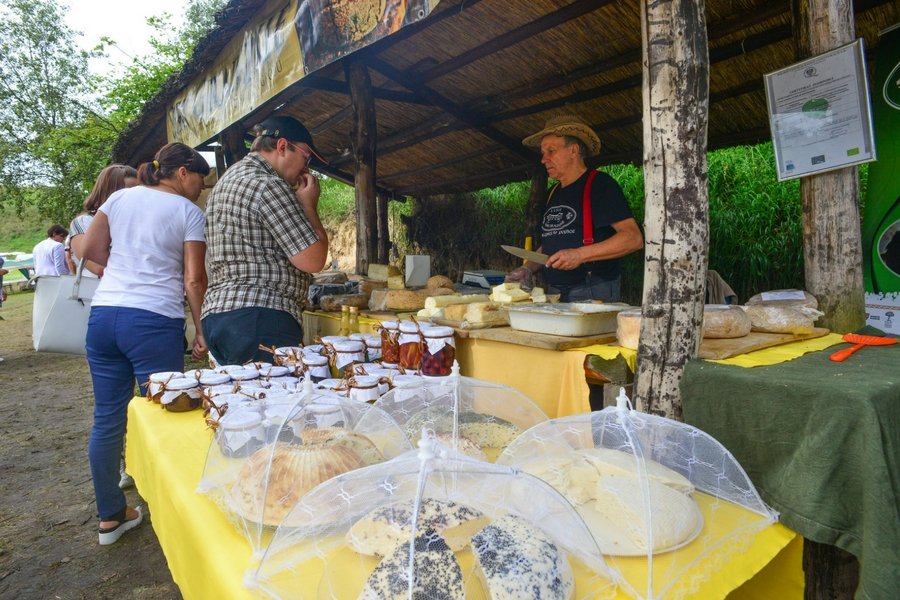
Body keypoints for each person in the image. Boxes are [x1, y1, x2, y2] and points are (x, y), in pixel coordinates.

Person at [81, 142, 209, 545]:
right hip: (153, 320)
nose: (200, 190)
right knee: (169, 414)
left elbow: (91, 252)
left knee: (106, 419)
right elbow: (193, 279)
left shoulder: (119, 198)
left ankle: (110, 517)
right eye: (200, 181)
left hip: (104, 318)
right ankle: (178, 512)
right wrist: (201, 329)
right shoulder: (189, 213)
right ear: (184, 172)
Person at [202, 115, 329, 364]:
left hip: (220, 316)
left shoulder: (228, 180)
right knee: (272, 400)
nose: (307, 169)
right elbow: (313, 260)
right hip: (259, 318)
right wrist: (309, 206)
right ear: (282, 146)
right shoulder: (267, 185)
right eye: (306, 157)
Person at [507, 115, 643, 302]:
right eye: (543, 152)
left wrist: (580, 255)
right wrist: (528, 268)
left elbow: (633, 238)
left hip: (593, 288)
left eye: (551, 151)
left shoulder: (600, 185)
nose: (543, 159)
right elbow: (551, 242)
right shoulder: (552, 192)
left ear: (573, 150)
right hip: (554, 291)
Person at [68, 164, 139, 278]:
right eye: (127, 193)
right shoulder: (83, 222)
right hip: (97, 292)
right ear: (110, 192)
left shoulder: (138, 222)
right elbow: (97, 267)